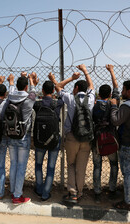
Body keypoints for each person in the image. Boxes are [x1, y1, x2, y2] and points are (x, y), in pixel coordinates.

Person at [50, 64, 95, 203]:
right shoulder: (91, 98)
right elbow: (92, 86)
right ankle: (80, 192)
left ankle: (72, 193)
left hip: (71, 137)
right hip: (86, 138)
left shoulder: (70, 98)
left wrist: (72, 77)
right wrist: (85, 71)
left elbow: (58, 86)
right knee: (81, 167)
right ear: (85, 89)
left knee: (71, 164)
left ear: (75, 89)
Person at [6, 72, 38, 205]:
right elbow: (33, 90)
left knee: (13, 164)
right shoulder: (29, 98)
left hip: (11, 133)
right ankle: (17, 195)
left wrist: (12, 81)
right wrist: (31, 79)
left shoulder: (11, 96)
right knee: (21, 166)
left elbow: (12, 89)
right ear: (26, 87)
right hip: (23, 136)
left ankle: (13, 190)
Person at [92, 64, 119, 203]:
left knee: (97, 165)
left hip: (97, 138)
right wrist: (112, 71)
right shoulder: (113, 103)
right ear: (109, 95)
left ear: (98, 94)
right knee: (114, 164)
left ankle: (97, 192)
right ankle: (112, 189)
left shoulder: (94, 105)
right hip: (111, 137)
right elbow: (116, 87)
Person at [33, 76, 63, 201]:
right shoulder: (57, 103)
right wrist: (56, 82)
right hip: (54, 139)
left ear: (43, 91)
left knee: (38, 165)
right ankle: (45, 193)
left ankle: (39, 189)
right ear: (53, 91)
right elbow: (61, 93)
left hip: (39, 139)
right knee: (51, 167)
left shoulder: (37, 104)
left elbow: (32, 98)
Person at [110, 80, 130, 210]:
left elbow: (116, 121)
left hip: (127, 144)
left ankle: (128, 202)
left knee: (127, 173)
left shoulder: (126, 106)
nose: (122, 92)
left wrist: (114, 107)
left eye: (123, 90)